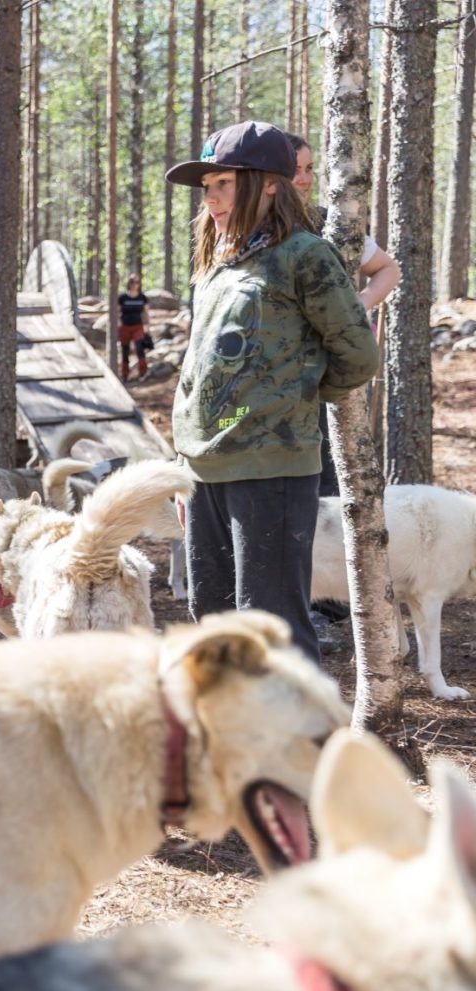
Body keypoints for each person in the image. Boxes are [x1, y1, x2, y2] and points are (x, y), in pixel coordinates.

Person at [165, 120, 380, 661]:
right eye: (206, 187)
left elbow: (357, 353)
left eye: (223, 184)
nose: (210, 199)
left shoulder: (305, 254)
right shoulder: (219, 260)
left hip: (271, 468)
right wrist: (184, 462)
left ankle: (299, 742)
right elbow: (201, 365)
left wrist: (290, 398)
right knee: (212, 620)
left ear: (267, 184)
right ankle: (230, 738)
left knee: (272, 624)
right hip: (204, 470)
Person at [288, 131, 403, 649]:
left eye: (310, 168)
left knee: (330, 484)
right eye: (297, 169)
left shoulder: (329, 223)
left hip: (330, 378)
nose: (306, 178)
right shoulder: (247, 227)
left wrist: (353, 307)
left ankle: (330, 605)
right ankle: (296, 599)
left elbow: (388, 269)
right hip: (275, 386)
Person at [116, 273, 153, 381]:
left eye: (136, 282)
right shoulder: (123, 297)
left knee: (139, 348)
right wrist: (118, 323)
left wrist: (147, 325)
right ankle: (124, 374)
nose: (134, 284)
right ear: (129, 283)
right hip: (125, 327)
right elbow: (117, 311)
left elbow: (146, 312)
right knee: (125, 350)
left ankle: (143, 372)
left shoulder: (142, 297)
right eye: (132, 282)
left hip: (138, 326)